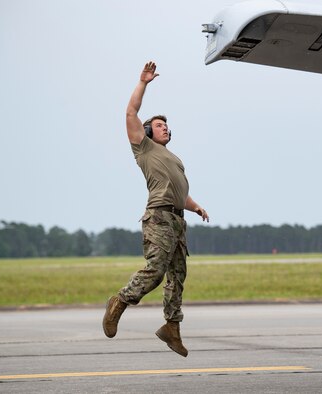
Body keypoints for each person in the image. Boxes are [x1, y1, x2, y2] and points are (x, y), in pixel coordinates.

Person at [102, 61, 209, 357]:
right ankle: (120, 302)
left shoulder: (174, 158)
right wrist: (143, 83)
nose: (166, 129)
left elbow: (180, 191)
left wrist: (195, 205)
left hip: (177, 221)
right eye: (160, 125)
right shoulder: (144, 148)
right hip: (159, 218)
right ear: (147, 132)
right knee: (156, 270)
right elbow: (130, 113)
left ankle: (171, 328)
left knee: (178, 275)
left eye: (167, 126)